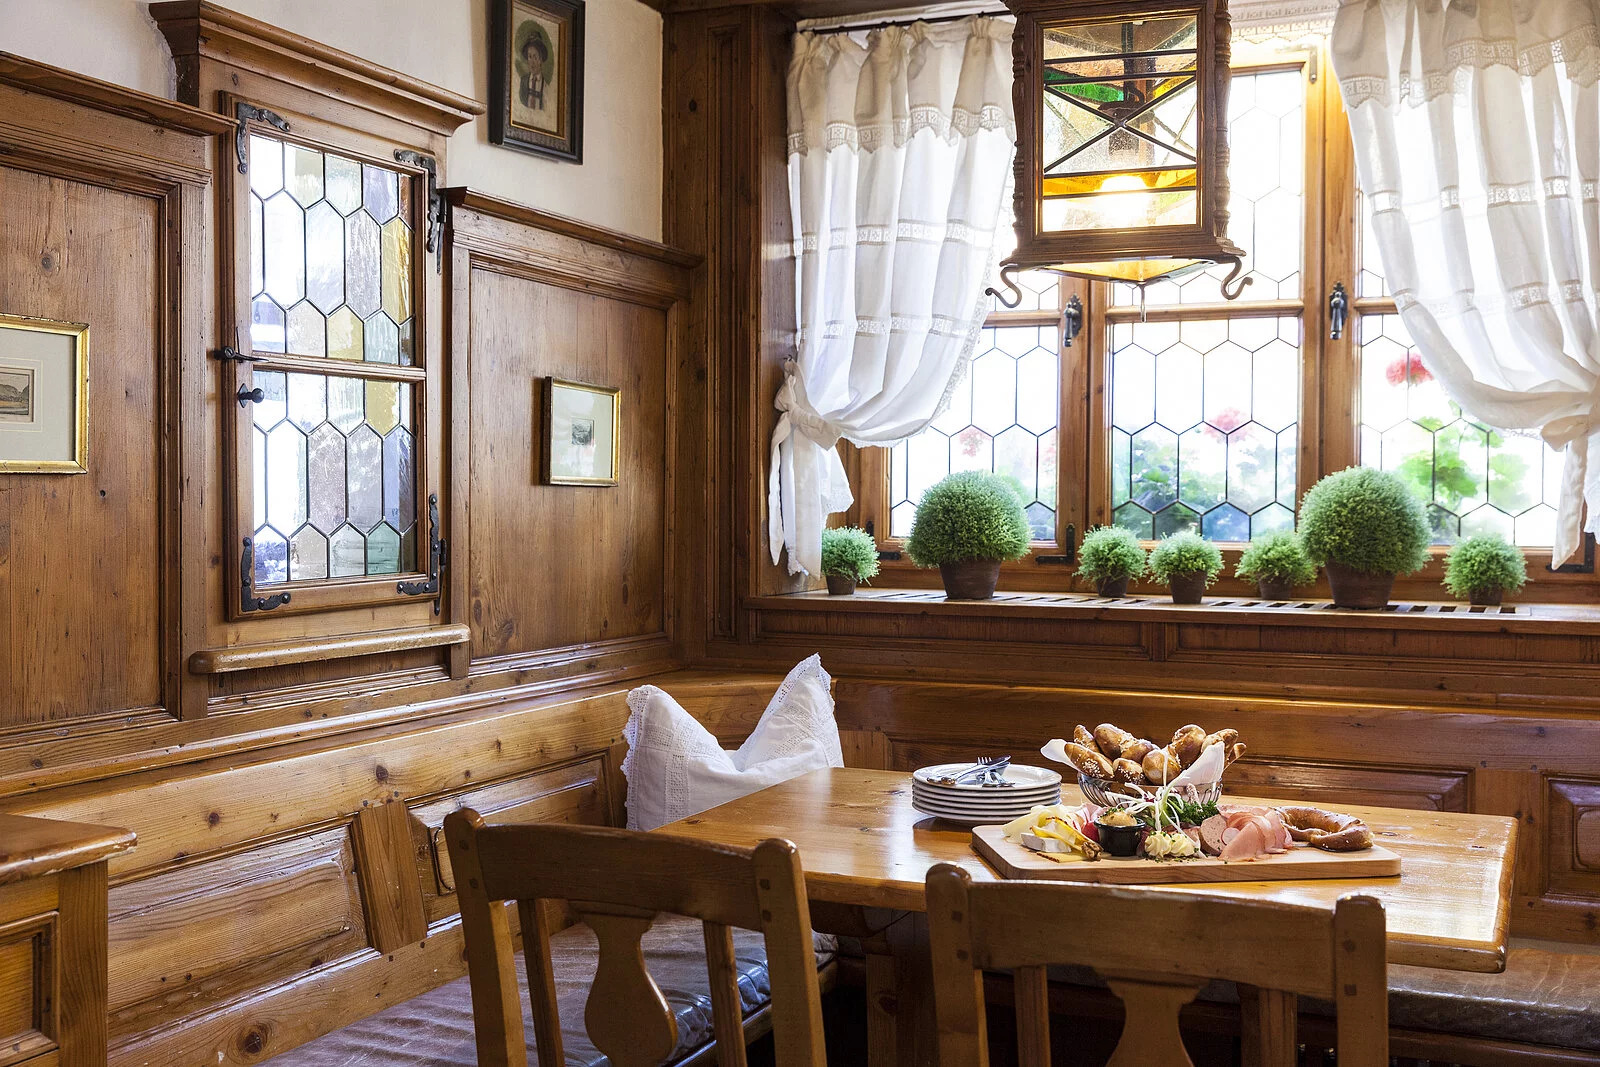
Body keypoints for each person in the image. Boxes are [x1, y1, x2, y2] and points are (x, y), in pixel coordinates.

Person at [519, 31, 549, 113]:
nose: (532, 62)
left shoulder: (546, 85)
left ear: (540, 60)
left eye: (535, 57)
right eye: (530, 57)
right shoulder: (523, 81)